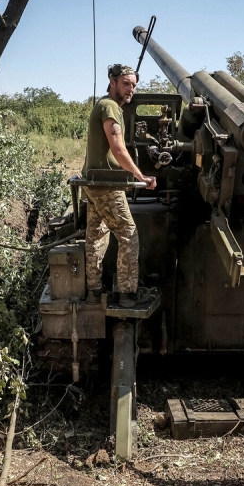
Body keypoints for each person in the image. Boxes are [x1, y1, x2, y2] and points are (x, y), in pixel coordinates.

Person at [82, 64, 156, 308]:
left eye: (134, 85)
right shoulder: (110, 107)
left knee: (96, 236)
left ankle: (94, 291)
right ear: (112, 82)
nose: (131, 89)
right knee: (128, 235)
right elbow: (117, 147)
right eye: (126, 83)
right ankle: (127, 295)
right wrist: (141, 176)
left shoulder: (105, 105)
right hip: (106, 185)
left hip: (94, 182)